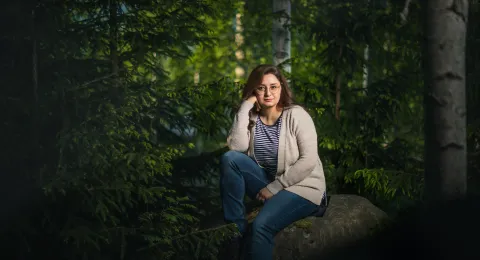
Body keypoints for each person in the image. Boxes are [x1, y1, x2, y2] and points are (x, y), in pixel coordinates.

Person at [219, 64, 327, 260]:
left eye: (274, 87)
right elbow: (236, 148)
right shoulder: (252, 117)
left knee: (262, 225)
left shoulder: (296, 115)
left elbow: (309, 160)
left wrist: (276, 187)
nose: (268, 93)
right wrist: (245, 107)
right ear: (254, 90)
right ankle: (235, 230)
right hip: (270, 182)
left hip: (302, 187)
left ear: (282, 88)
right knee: (230, 159)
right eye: (261, 88)